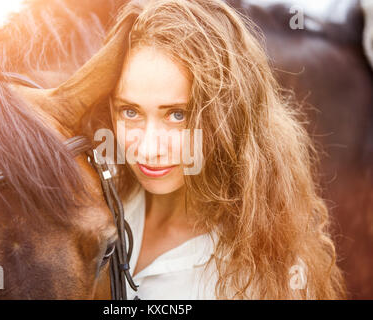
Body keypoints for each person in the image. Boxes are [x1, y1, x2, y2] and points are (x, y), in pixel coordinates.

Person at [79, 0, 346, 299]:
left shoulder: (270, 272)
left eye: (177, 114)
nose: (148, 148)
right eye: (130, 111)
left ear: (225, 116)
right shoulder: (92, 208)